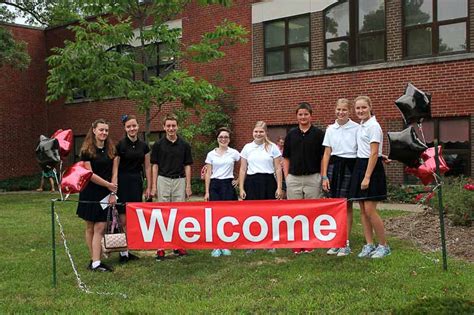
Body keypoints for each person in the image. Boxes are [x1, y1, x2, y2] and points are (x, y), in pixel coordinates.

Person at [349, 96, 391, 258]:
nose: (360, 111)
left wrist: (367, 177)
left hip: (370, 170)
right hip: (360, 165)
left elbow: (373, 153)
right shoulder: (361, 125)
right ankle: (369, 244)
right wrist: (382, 155)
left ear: (370, 107)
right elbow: (369, 150)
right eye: (358, 108)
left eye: (363, 108)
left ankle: (383, 245)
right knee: (363, 211)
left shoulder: (374, 126)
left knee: (370, 210)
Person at [282, 102, 325, 255]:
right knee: (295, 212)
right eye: (300, 114)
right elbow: (285, 157)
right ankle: (297, 242)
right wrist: (286, 177)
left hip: (312, 178)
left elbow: (323, 157)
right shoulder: (291, 134)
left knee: (312, 212)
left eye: (306, 114)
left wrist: (321, 176)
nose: (303, 117)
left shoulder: (319, 134)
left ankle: (310, 242)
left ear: (311, 115)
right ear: (297, 116)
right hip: (293, 178)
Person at [76, 119, 117, 272]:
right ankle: (95, 260)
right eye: (101, 130)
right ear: (94, 130)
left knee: (100, 226)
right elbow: (90, 174)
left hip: (106, 193)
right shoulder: (86, 151)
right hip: (90, 191)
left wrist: (112, 191)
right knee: (90, 227)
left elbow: (115, 172)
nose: (104, 133)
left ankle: (96, 261)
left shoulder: (111, 150)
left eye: (106, 130)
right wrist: (108, 185)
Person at [151, 114, 193, 261]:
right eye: (168, 126)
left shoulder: (184, 145)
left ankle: (178, 245)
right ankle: (161, 247)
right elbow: (154, 166)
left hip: (179, 181)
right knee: (162, 214)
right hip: (163, 180)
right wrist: (154, 186)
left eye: (173, 126)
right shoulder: (158, 145)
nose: (171, 128)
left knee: (178, 214)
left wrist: (188, 185)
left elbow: (187, 166)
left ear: (177, 126)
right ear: (164, 127)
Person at [321, 98, 359, 256]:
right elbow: (327, 153)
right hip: (334, 167)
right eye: (338, 110)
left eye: (344, 110)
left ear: (349, 111)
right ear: (335, 110)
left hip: (350, 167)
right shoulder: (330, 129)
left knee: (347, 205)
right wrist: (324, 176)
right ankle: (337, 241)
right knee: (335, 206)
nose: (341, 112)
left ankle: (346, 242)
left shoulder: (357, 128)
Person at [239, 121, 282, 254]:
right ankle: (252, 244)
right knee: (252, 214)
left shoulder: (273, 147)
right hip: (251, 182)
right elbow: (242, 169)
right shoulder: (247, 147)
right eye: (256, 131)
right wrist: (241, 188)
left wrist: (279, 187)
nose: (258, 134)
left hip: (268, 182)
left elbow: (278, 168)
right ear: (253, 132)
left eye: (261, 132)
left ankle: (270, 243)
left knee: (269, 213)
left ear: (265, 133)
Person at [113, 115, 151, 263]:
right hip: (123, 183)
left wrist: (148, 185)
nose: (132, 128)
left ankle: (128, 250)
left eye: (134, 126)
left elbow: (147, 166)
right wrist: (114, 186)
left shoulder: (144, 146)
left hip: (136, 182)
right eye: (129, 126)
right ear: (125, 128)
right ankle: (123, 252)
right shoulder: (120, 145)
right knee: (123, 219)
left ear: (138, 126)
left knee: (132, 218)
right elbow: (115, 168)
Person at [204, 127, 240, 257]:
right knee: (215, 216)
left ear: (229, 139)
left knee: (228, 215)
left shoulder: (234, 153)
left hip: (228, 185)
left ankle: (226, 244)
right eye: (221, 137)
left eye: (226, 137)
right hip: (214, 185)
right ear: (217, 139)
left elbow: (245, 165)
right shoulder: (211, 154)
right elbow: (208, 173)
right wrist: (207, 191)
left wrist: (239, 180)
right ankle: (216, 246)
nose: (223, 139)